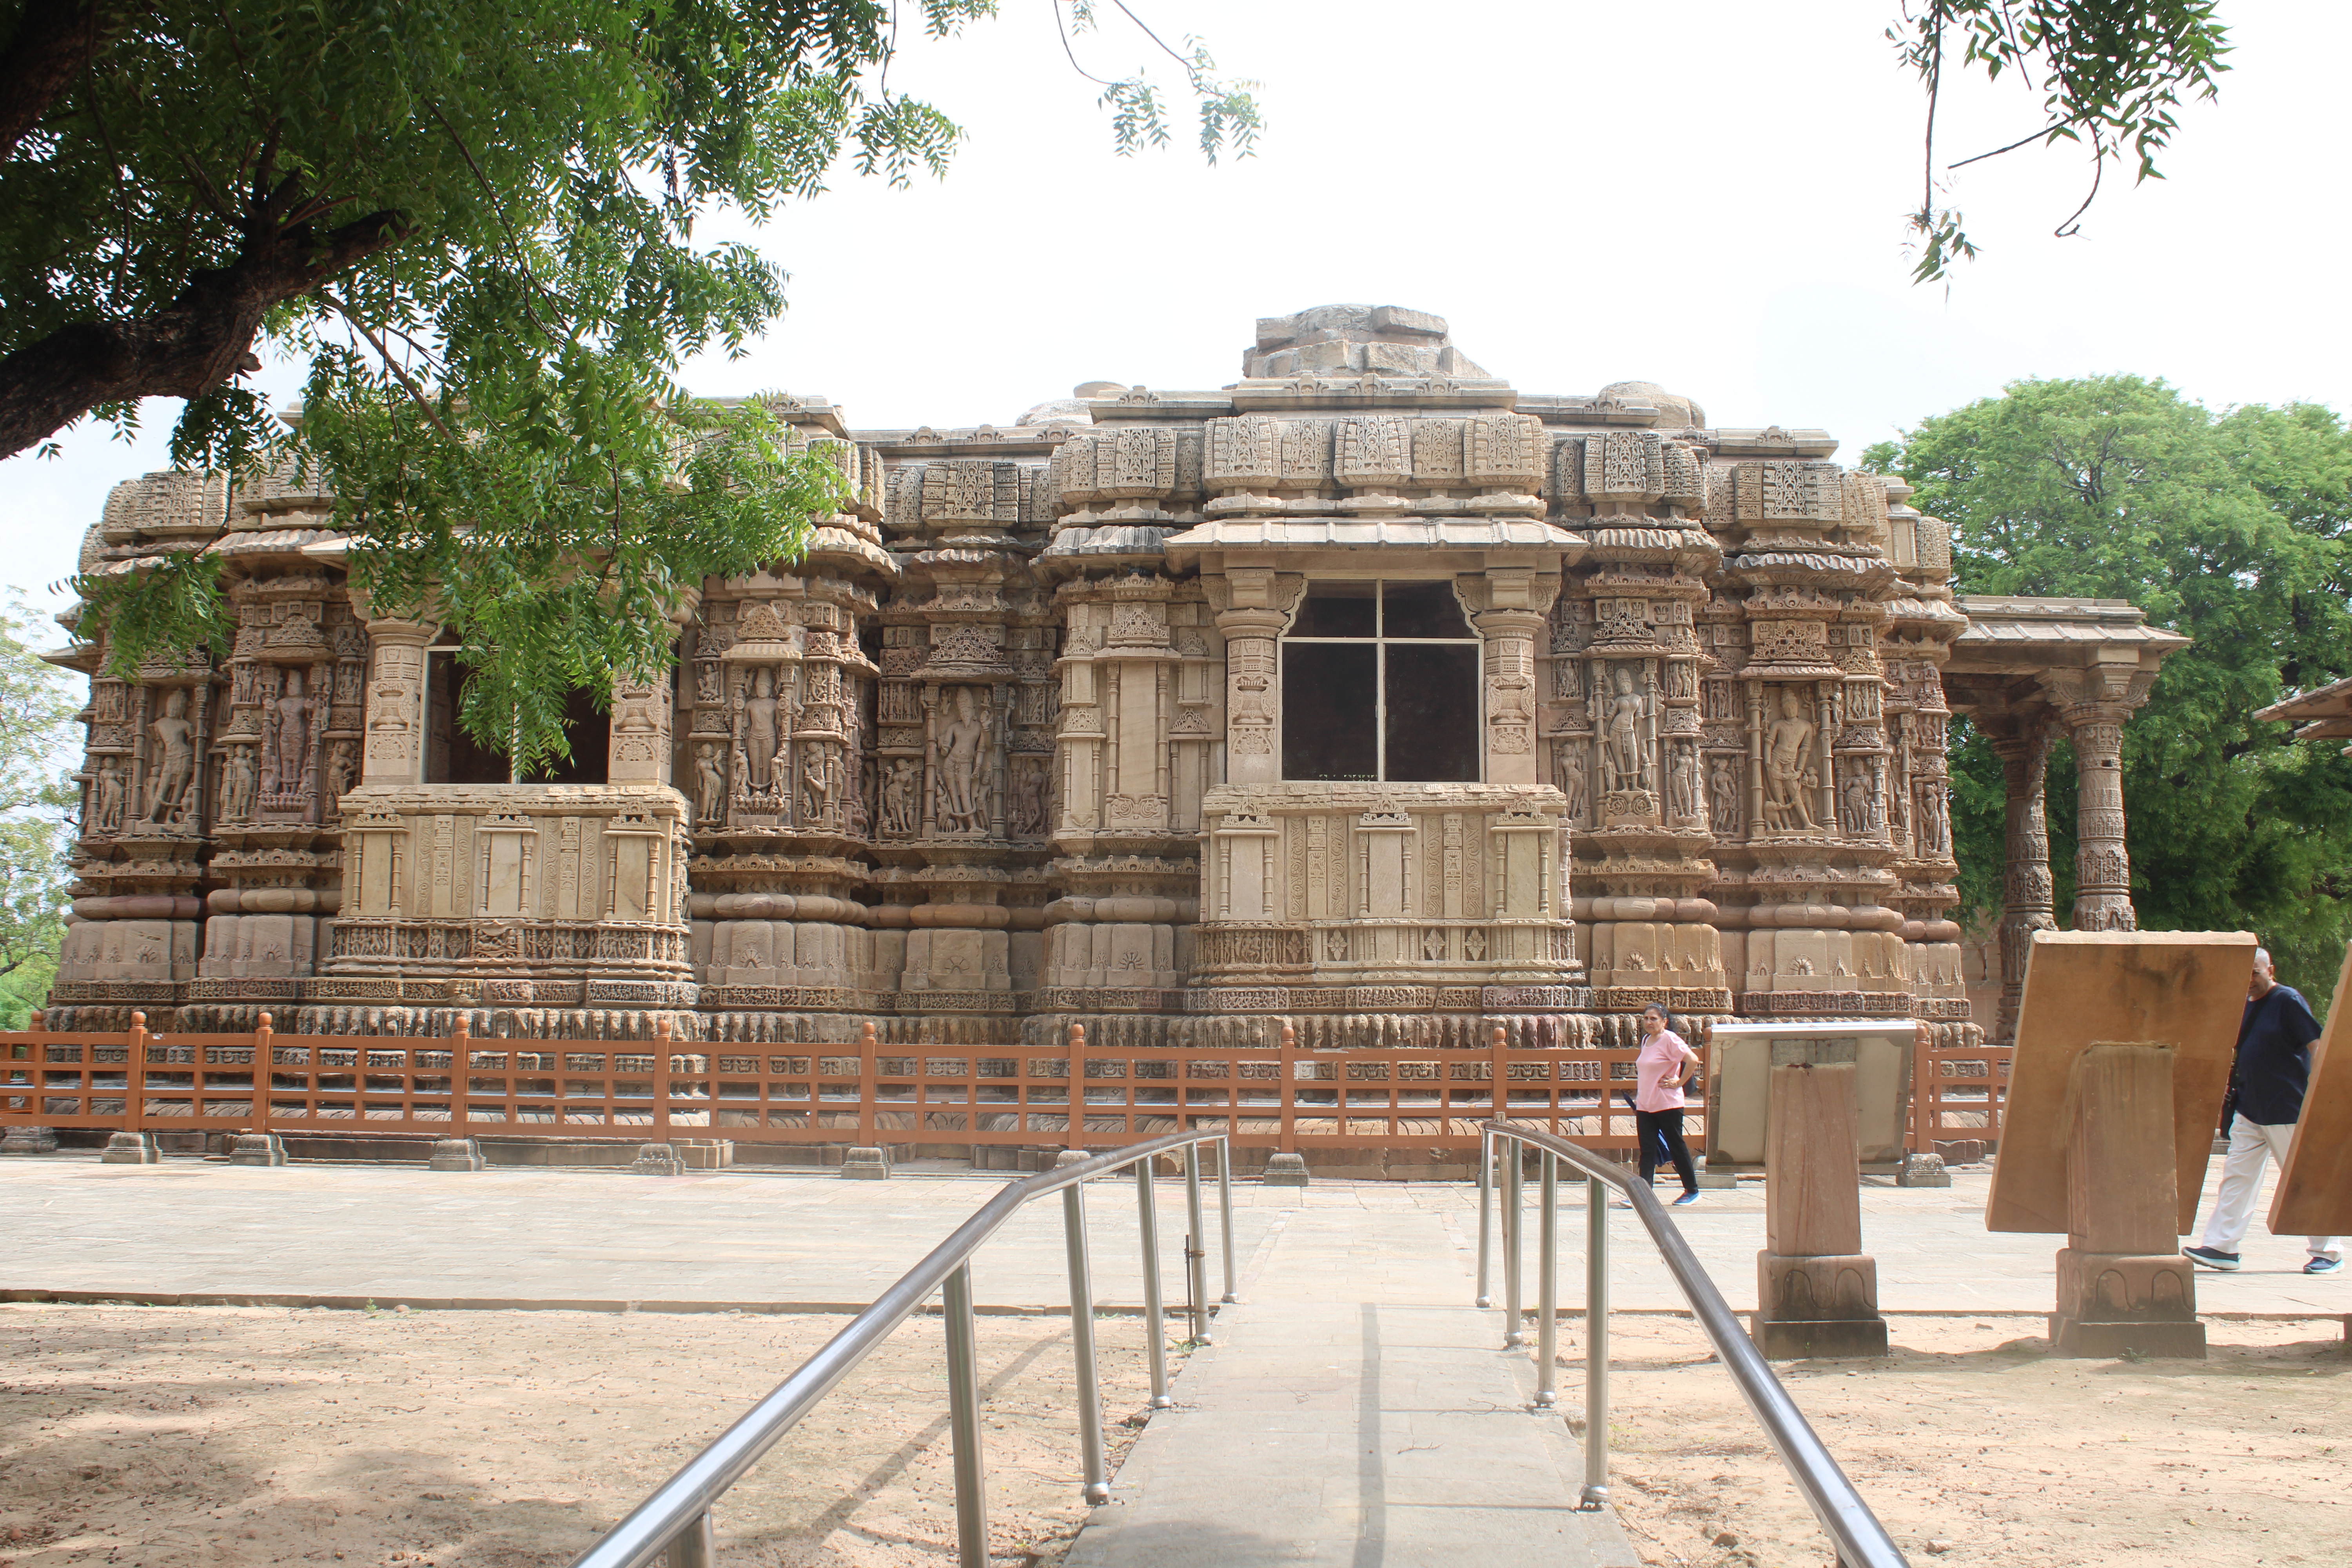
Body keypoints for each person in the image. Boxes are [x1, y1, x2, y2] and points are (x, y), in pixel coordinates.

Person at [2183, 947, 2342, 1274]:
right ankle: (2222, 1247)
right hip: (2250, 1108)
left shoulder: (2288, 1001)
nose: (2250, 980)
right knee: (2237, 1179)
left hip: (2287, 1108)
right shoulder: (2243, 1005)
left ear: (2270, 969)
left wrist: (2324, 1094)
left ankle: (2328, 1251)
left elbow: (2316, 1046)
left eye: (2255, 973)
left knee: (2301, 1180)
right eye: (2245, 974)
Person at [1633, 1003, 1702, 1206]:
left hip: (1667, 1103)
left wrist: (1679, 1082)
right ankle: (1644, 1193)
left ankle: (1692, 1190)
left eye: (1654, 1019)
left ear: (1664, 1022)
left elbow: (1693, 1060)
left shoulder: (1670, 1039)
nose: (1649, 1022)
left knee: (1676, 1145)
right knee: (1647, 1148)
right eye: (1646, 1018)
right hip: (1646, 1104)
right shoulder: (1647, 1040)